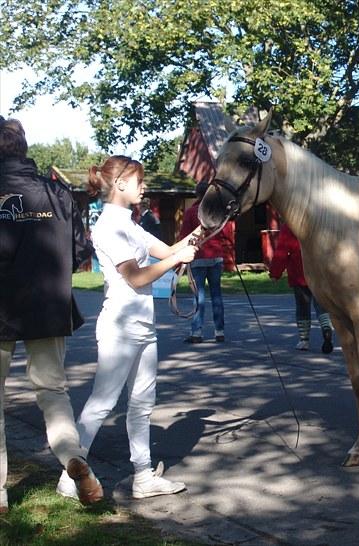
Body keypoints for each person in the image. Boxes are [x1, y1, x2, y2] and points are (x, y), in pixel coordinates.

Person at [55, 155, 200, 500]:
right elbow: (136, 277)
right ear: (120, 184)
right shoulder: (107, 226)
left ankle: (143, 476)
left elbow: (168, 249)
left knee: (143, 402)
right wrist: (175, 259)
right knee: (103, 401)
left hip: (144, 326)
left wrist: (205, 226)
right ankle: (68, 478)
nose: (144, 186)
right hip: (120, 326)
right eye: (139, 180)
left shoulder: (129, 223)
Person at [0, 118, 103, 510]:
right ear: (23, 147)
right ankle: (74, 458)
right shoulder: (58, 193)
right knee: (52, 392)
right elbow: (80, 254)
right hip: (47, 306)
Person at [178, 182, 235, 343]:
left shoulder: (190, 213)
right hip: (215, 257)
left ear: (197, 194)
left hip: (198, 258)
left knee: (199, 296)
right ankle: (219, 331)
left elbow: (184, 236)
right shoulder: (217, 213)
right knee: (217, 295)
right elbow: (225, 234)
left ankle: (196, 332)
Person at [269, 223, 334, 353]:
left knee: (302, 308)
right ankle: (326, 328)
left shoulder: (289, 226)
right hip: (318, 273)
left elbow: (282, 252)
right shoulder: (317, 222)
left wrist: (275, 273)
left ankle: (304, 340)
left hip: (298, 273)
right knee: (321, 306)